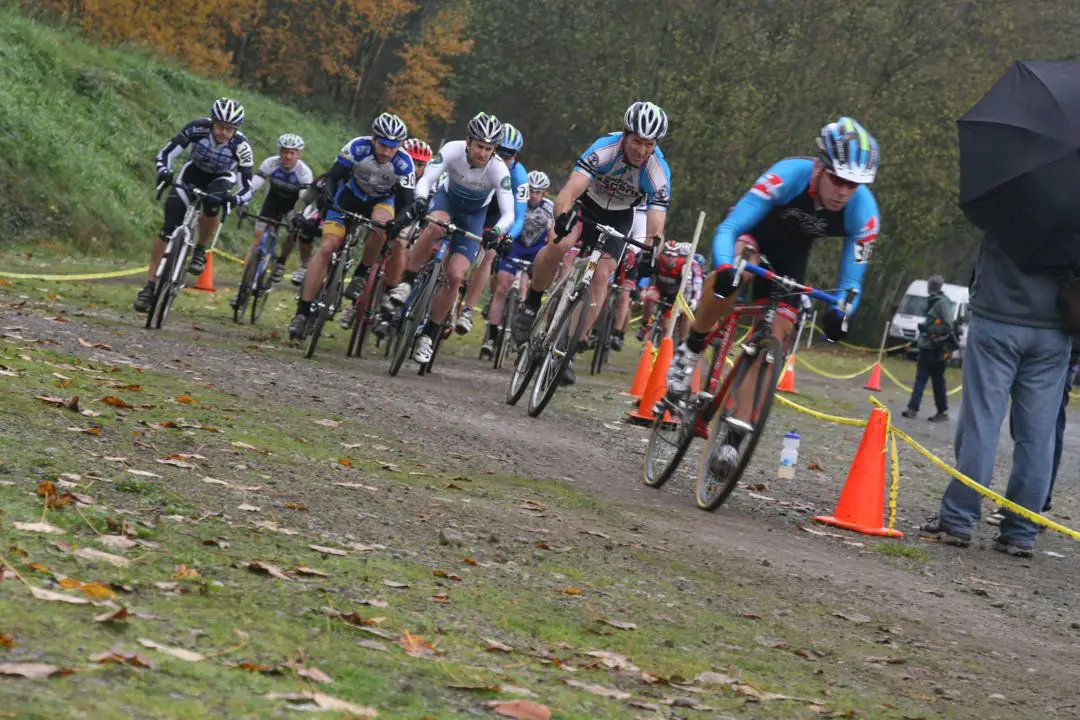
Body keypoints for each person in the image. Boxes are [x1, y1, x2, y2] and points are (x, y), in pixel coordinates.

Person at [666, 117, 881, 474]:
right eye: (839, 179)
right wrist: (723, 267)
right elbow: (731, 227)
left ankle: (733, 439)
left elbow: (851, 283)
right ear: (819, 167)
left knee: (775, 337)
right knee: (737, 270)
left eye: (854, 184)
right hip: (752, 237)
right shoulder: (788, 174)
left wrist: (843, 311)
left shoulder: (865, 214)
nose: (845, 191)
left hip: (790, 261)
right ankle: (691, 348)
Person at [920, 234, 1072, 558]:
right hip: (1055, 327)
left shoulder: (1005, 191)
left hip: (997, 318)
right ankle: (1021, 531)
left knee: (982, 423)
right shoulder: (1072, 198)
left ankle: (958, 519)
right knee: (1038, 436)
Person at [511, 101, 672, 385]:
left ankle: (566, 350)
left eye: (649, 144)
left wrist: (652, 247)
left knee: (601, 275)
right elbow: (569, 191)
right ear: (625, 135)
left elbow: (656, 220)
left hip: (621, 216)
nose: (642, 150)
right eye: (636, 142)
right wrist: (562, 218)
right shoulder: (605, 149)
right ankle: (531, 302)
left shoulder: (658, 170)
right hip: (587, 205)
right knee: (560, 245)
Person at [386, 112, 515, 365]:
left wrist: (497, 232)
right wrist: (421, 199)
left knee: (456, 276)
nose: (482, 153)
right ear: (468, 141)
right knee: (435, 227)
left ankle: (429, 335)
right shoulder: (453, 150)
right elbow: (427, 180)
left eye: (489, 149)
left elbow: (509, 211)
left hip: (474, 216)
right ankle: (407, 281)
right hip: (448, 201)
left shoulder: (499, 169)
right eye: (479, 146)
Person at [288, 113, 414, 340]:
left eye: (392, 147)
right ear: (374, 139)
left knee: (382, 226)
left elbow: (407, 203)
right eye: (383, 145)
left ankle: (361, 273)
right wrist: (326, 195)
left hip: (380, 202)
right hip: (349, 197)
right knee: (328, 247)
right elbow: (332, 176)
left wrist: (399, 222)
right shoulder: (357, 147)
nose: (387, 152)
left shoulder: (404, 163)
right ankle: (302, 312)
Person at [135, 98, 254, 312]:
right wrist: (164, 170)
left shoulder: (242, 147)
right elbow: (167, 152)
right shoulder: (197, 128)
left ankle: (200, 248)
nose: (223, 133)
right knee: (168, 228)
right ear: (212, 122)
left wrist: (236, 199)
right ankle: (150, 285)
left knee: (212, 201)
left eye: (229, 129)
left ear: (236, 129)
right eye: (219, 127)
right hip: (192, 173)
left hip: (221, 178)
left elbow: (248, 186)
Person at [458, 124, 529, 337]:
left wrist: (507, 237)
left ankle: (468, 310)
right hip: (472, 207)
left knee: (488, 254)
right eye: (500, 153)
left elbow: (519, 216)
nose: (505, 160)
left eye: (510, 155)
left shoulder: (519, 176)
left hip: (496, 215)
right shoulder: (480, 160)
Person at [231, 134, 314, 307]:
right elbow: (253, 186)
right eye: (284, 152)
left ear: (298, 154)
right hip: (273, 201)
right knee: (258, 240)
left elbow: (304, 201)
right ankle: (243, 288)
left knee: (294, 230)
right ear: (280, 151)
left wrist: (300, 218)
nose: (288, 156)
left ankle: (281, 261)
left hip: (294, 204)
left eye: (292, 153)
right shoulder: (270, 163)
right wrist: (242, 202)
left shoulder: (304, 173)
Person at [480, 170, 555, 360]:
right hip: (515, 247)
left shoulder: (549, 209)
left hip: (535, 252)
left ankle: (519, 333)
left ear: (544, 194)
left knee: (525, 289)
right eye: (530, 190)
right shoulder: (517, 202)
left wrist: (551, 256)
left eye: (538, 192)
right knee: (502, 288)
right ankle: (491, 337)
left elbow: (553, 237)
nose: (533, 195)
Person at [901, 274, 954, 421]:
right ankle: (913, 408)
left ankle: (942, 411)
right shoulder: (933, 301)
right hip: (926, 347)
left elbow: (948, 325)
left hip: (936, 349)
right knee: (921, 378)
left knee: (937, 380)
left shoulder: (942, 303)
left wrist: (929, 329)